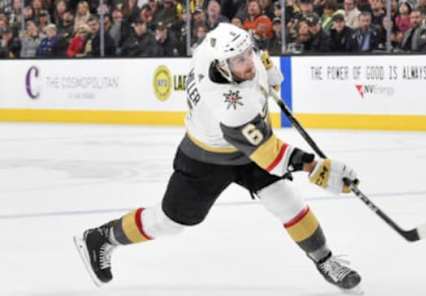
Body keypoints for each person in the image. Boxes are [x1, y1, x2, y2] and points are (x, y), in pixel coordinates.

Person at [74, 23, 362, 292]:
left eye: (248, 53)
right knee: (168, 223)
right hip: (205, 159)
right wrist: (316, 168)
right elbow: (269, 154)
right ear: (222, 68)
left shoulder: (215, 48)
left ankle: (324, 259)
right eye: (239, 60)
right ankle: (102, 237)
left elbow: (242, 46)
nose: (248, 61)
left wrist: (264, 70)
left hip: (245, 149)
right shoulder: (228, 105)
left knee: (286, 200)